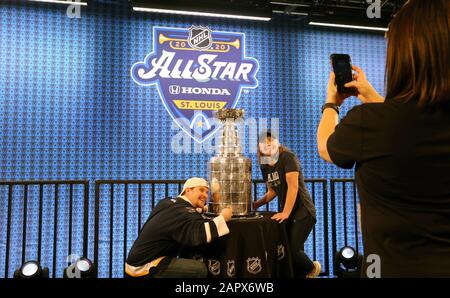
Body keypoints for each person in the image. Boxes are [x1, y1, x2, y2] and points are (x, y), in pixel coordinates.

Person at [317, 0, 450, 277]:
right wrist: (373, 97)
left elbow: (326, 147)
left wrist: (332, 104)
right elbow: (410, 126)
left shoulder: (371, 124)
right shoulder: (380, 122)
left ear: (404, 55)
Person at [125, 177, 233, 278]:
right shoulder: (184, 212)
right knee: (199, 269)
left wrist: (202, 209)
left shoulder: (167, 202)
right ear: (188, 190)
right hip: (143, 267)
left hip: (133, 262)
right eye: (201, 190)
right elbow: (200, 234)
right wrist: (223, 218)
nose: (205, 195)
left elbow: (185, 214)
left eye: (206, 192)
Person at [253, 131, 321, 278]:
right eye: (264, 142)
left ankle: (312, 267)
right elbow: (272, 191)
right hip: (288, 213)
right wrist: (256, 204)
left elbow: (293, 187)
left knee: (291, 249)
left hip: (303, 211)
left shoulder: (287, 157)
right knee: (286, 250)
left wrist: (285, 213)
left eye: (271, 141)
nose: (268, 144)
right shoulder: (265, 166)